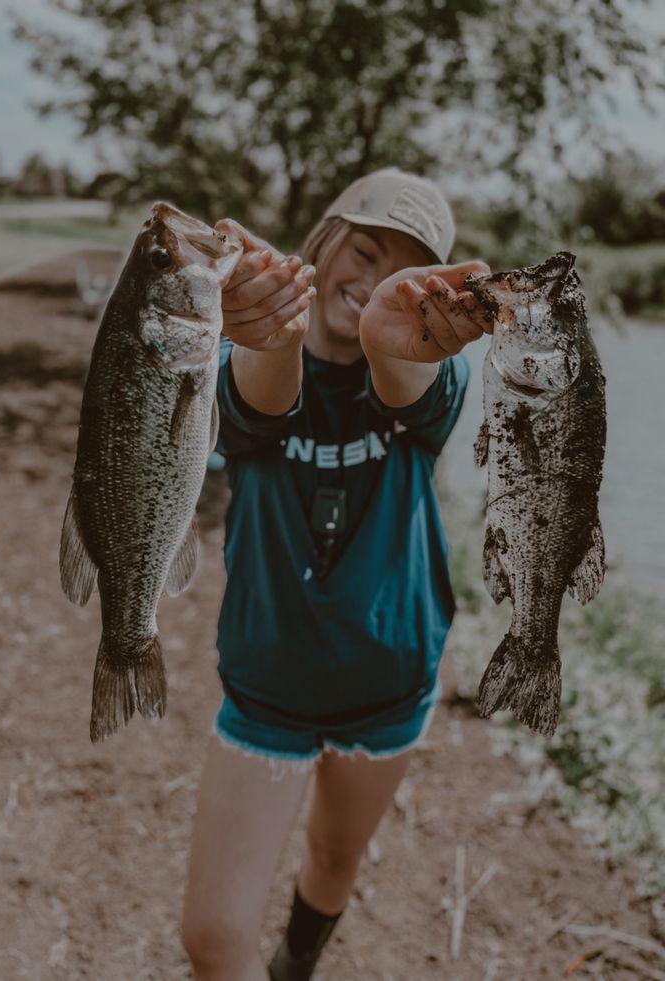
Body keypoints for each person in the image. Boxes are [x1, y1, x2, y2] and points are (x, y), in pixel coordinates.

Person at [180, 167, 492, 981]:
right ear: (323, 238)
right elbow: (257, 404)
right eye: (362, 249)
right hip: (269, 683)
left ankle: (296, 965)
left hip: (388, 678)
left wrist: (402, 337)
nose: (373, 280)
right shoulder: (245, 349)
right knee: (213, 936)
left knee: (331, 858)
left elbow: (408, 384)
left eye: (403, 269)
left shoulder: (433, 364)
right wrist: (274, 333)